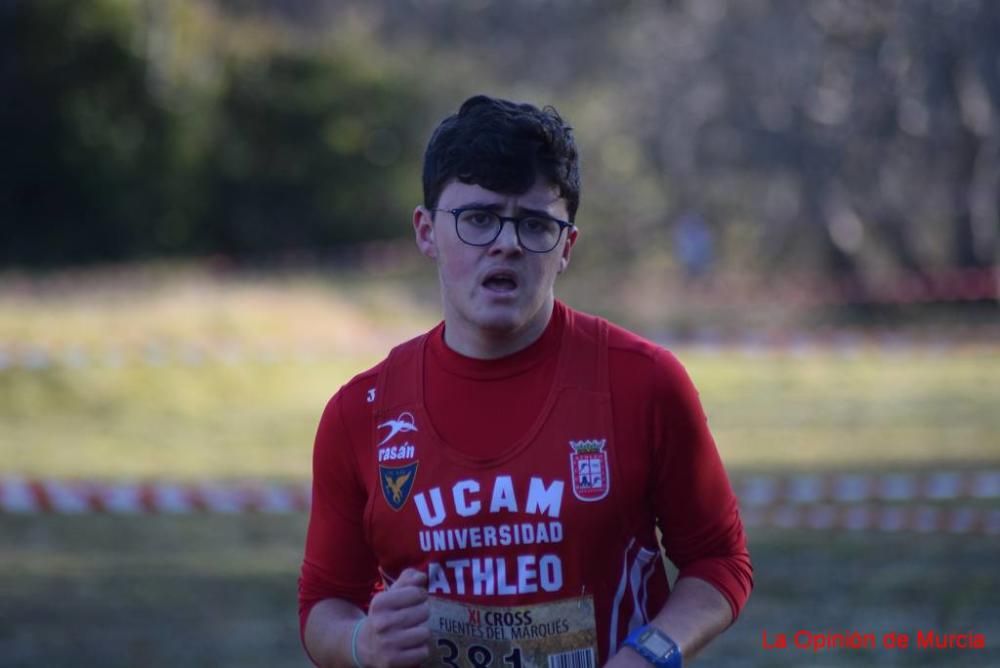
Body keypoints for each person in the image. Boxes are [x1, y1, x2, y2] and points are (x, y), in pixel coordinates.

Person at [298, 95, 752, 668]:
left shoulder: (644, 382)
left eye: (535, 223)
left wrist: (651, 653)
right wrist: (363, 644)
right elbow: (323, 604)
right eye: (479, 218)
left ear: (567, 246)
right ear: (426, 231)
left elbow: (720, 561)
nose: (507, 243)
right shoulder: (361, 413)